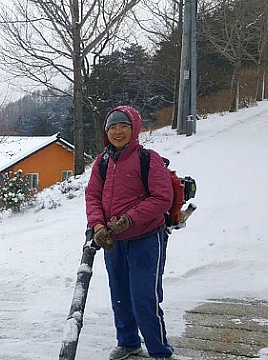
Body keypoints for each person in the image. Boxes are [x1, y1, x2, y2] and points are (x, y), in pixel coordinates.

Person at [85, 106, 174, 360]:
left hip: (146, 239)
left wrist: (130, 219)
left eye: (123, 125)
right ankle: (128, 343)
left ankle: (160, 351)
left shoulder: (149, 158)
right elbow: (92, 196)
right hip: (113, 243)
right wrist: (98, 226)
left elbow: (162, 198)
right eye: (112, 126)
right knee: (120, 296)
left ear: (134, 128)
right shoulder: (102, 162)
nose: (117, 131)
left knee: (144, 297)